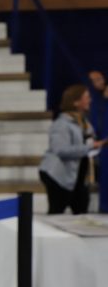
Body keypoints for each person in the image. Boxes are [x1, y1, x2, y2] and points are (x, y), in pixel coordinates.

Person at [39, 85, 107, 214]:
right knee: (56, 213)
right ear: (76, 102)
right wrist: (91, 146)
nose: (90, 100)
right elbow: (60, 150)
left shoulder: (84, 122)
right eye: (87, 97)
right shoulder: (61, 124)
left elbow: (88, 142)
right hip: (58, 176)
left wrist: (97, 145)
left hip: (77, 177)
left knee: (82, 212)